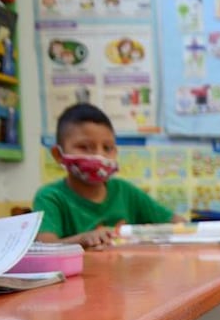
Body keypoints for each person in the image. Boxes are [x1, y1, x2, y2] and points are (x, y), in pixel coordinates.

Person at [34, 103, 183, 248]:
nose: (99, 155)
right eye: (84, 147)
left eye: (107, 148)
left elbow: (179, 224)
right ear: (58, 155)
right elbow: (46, 247)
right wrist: (83, 239)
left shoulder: (125, 191)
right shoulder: (50, 197)